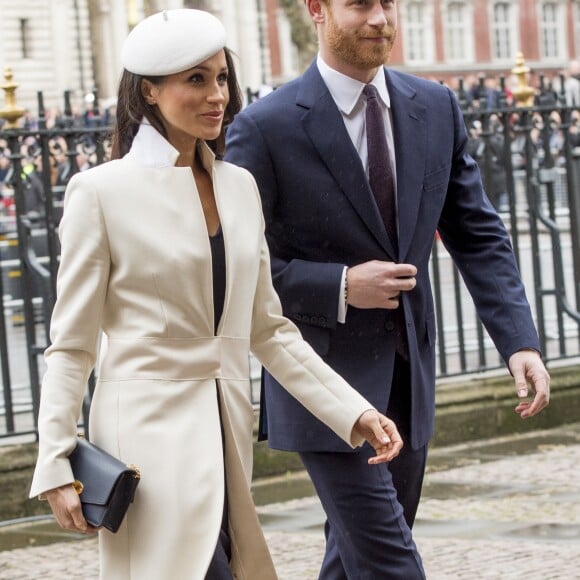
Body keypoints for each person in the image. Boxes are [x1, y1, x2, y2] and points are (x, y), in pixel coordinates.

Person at [28, 9, 405, 580]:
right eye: (196, 80)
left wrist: (353, 412)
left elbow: (269, 331)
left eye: (222, 78)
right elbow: (72, 345)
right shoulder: (100, 192)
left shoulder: (238, 186)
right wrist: (56, 461)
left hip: (226, 436)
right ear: (150, 91)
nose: (218, 96)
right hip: (145, 445)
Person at [225, 0, 551, 578]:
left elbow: (477, 233)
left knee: (353, 561)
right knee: (390, 561)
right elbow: (237, 268)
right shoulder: (264, 126)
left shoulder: (435, 106)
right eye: (360, 5)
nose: (380, 18)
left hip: (408, 378)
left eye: (388, 3)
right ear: (318, 10)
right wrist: (341, 285)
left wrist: (519, 342)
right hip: (320, 384)